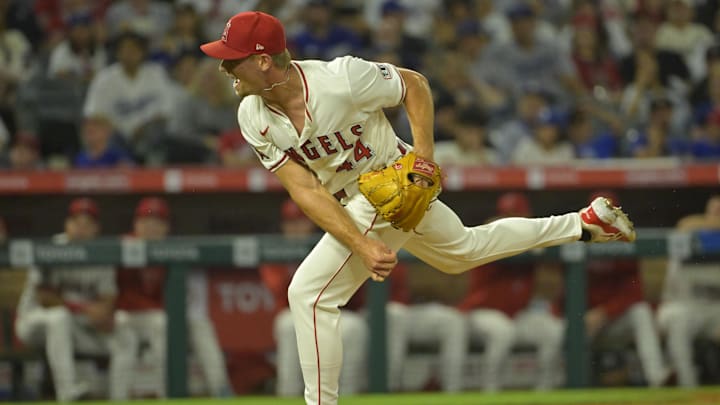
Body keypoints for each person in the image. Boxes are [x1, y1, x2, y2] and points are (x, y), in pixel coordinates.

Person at [200, 11, 636, 405]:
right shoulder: (250, 115)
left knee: (309, 296)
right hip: (355, 198)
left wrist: (423, 158)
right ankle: (583, 223)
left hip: (391, 178)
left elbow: (415, 85)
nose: (223, 66)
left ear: (262, 60)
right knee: (464, 252)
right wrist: (361, 243)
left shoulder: (341, 78)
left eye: (231, 57)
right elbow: (304, 189)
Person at [13, 198, 132, 402]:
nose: (81, 228)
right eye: (76, 222)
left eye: (88, 224)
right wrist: (85, 309)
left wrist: (103, 313)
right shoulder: (51, 248)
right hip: (33, 324)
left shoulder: (101, 255)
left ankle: (119, 398)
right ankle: (67, 393)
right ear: (67, 225)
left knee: (125, 335)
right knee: (59, 317)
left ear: (96, 229)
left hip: (75, 329)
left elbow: (108, 299)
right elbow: (45, 299)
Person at [113, 197, 231, 399]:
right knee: (153, 325)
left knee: (200, 324)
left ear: (166, 227)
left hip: (159, 315)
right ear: (136, 224)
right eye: (145, 221)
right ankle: (118, 398)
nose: (150, 227)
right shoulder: (123, 246)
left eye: (157, 222)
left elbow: (185, 299)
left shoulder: (173, 249)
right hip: (128, 316)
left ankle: (221, 390)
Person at [261, 199, 368, 396]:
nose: (296, 228)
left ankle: (348, 396)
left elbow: (354, 291)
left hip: (335, 312)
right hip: (295, 316)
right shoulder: (276, 250)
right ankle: (288, 395)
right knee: (286, 324)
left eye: (301, 222)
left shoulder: (328, 244)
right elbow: (281, 293)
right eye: (290, 223)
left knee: (355, 327)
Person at [459, 192, 564, 392]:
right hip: (481, 312)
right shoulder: (489, 234)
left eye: (519, 216)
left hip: (517, 315)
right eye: (510, 216)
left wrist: (539, 239)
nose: (516, 222)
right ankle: (490, 393)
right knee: (502, 331)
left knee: (553, 330)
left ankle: (544, 393)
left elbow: (556, 264)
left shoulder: (532, 234)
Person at [658, 194, 720, 387]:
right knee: (679, 320)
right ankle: (687, 387)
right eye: (715, 211)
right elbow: (684, 224)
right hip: (686, 304)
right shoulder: (693, 231)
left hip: (716, 307)